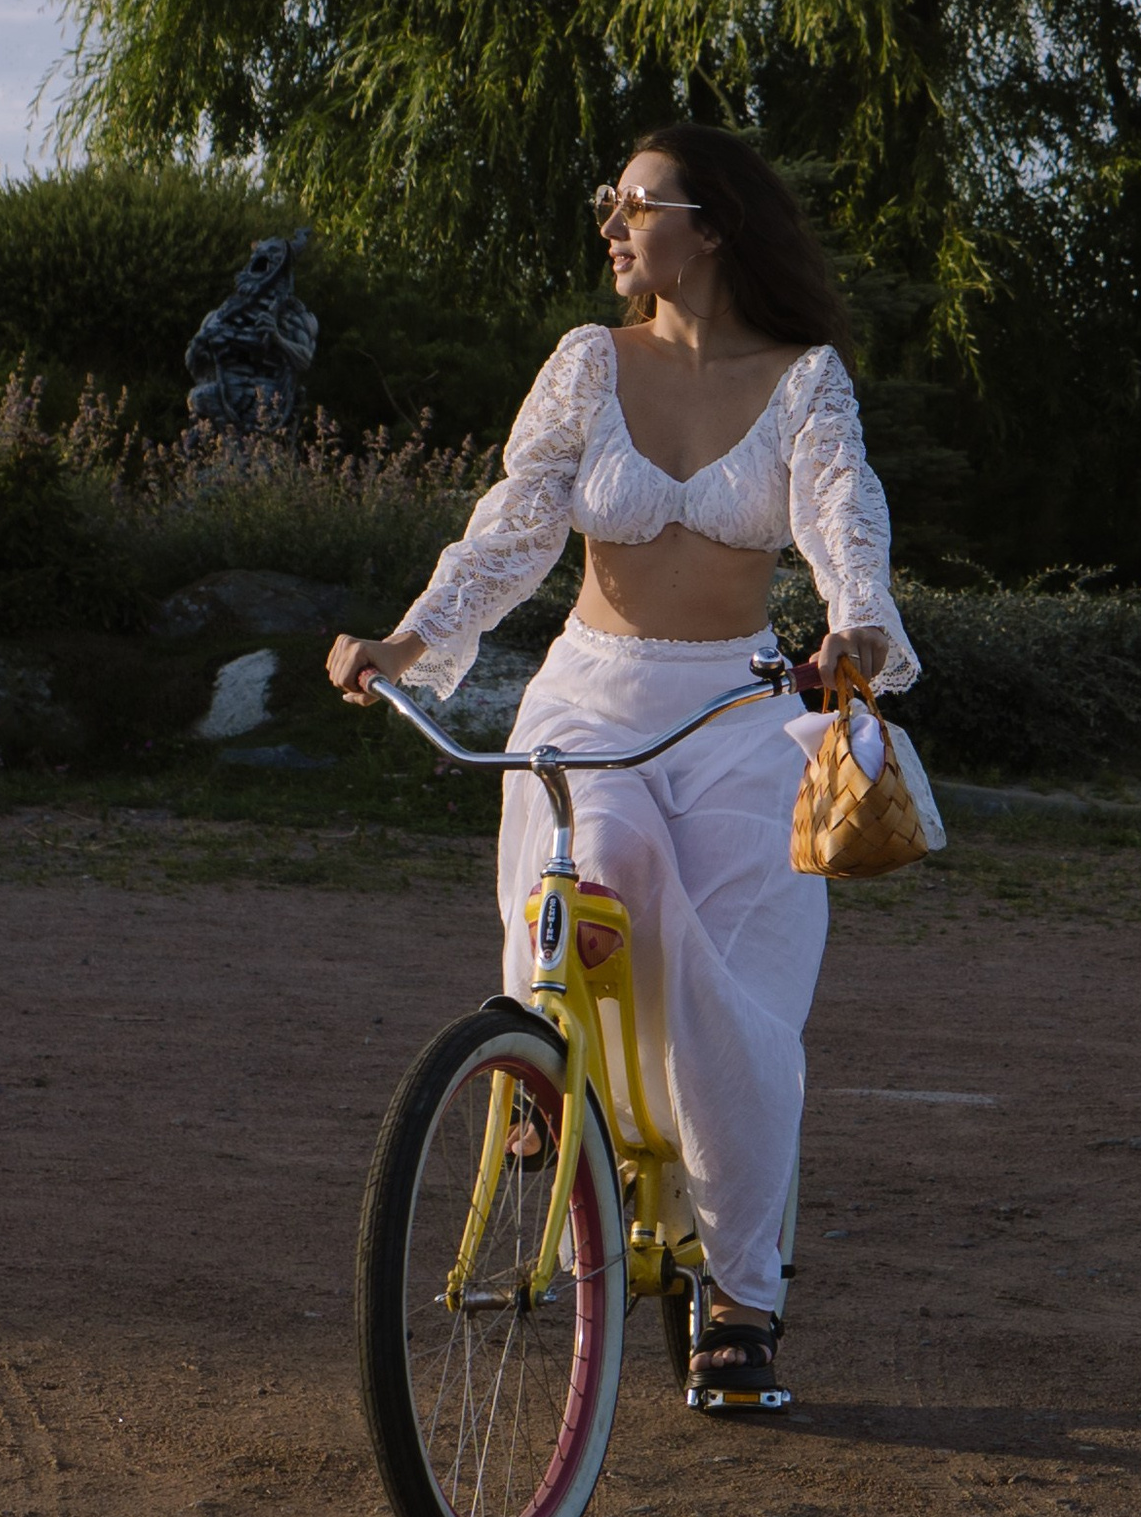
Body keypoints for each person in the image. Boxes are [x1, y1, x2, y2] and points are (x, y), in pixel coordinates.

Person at [327, 125, 914, 1405]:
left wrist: (857, 623)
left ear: (709, 227)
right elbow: (513, 525)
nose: (611, 224)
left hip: (744, 712)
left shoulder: (803, 379)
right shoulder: (589, 364)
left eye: (634, 204)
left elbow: (841, 514)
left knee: (742, 1008)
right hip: (591, 696)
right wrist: (412, 639)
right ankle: (544, 1064)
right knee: (607, 858)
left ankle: (742, 1297)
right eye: (610, 203)